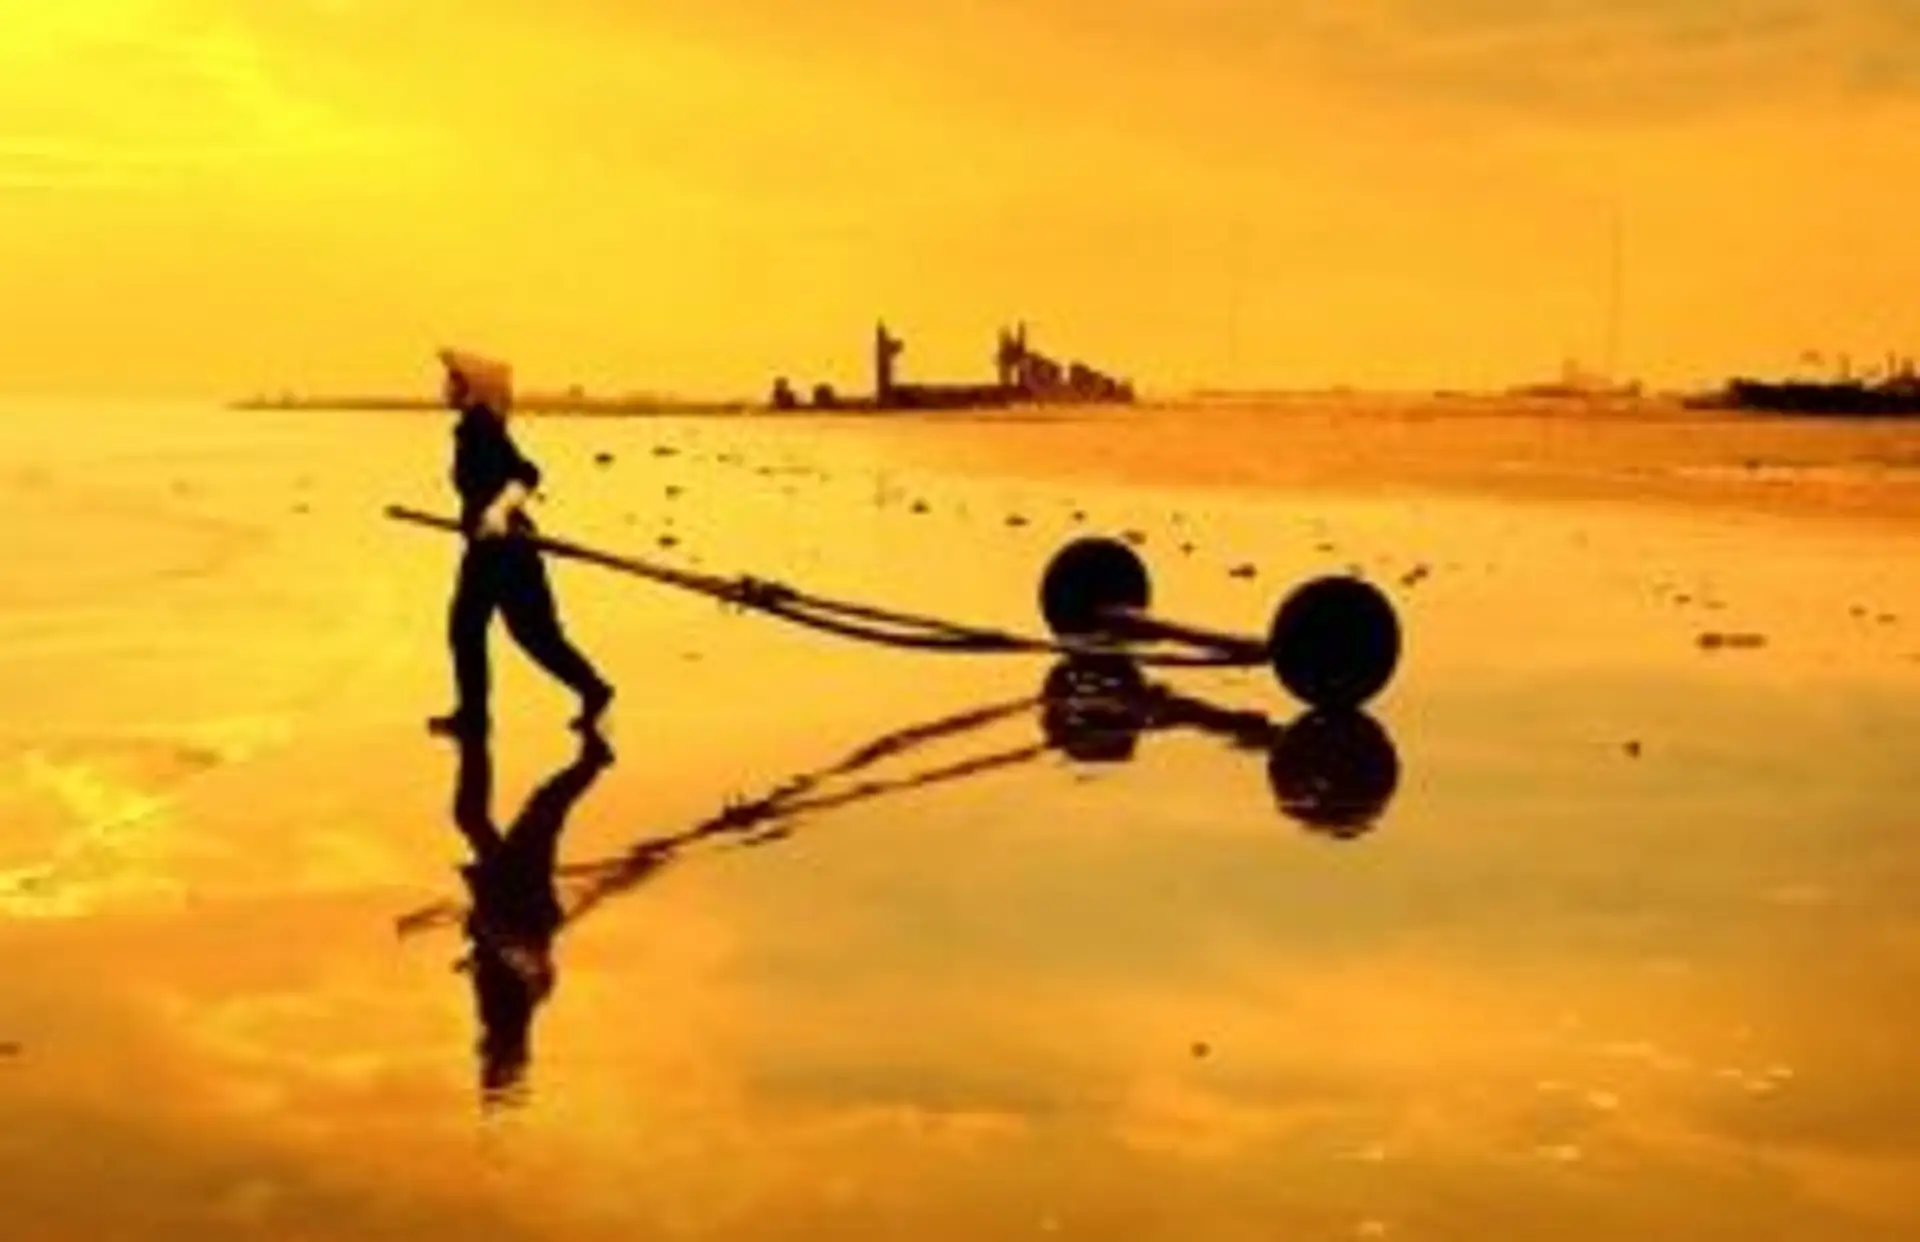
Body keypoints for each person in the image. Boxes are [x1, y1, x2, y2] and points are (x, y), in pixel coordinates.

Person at [428, 349, 613, 739]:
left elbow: (526, 474)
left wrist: (498, 510)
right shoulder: (473, 426)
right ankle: (476, 716)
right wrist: (488, 514)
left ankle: (590, 690)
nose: (443, 385)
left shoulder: (481, 427)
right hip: (491, 547)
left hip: (506, 549)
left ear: (470, 389)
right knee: (481, 629)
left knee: (521, 634)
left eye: (451, 379)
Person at [448, 725, 614, 1105]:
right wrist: (493, 939)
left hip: (512, 896)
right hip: (519, 894)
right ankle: (592, 759)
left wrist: (475, 956)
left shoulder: (500, 1017)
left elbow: (508, 965)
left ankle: (473, 741)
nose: (480, 1054)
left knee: (479, 817)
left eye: (485, 1062)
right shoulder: (508, 1014)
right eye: (489, 1061)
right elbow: (526, 965)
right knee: (537, 811)